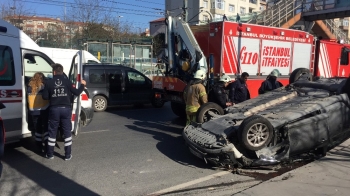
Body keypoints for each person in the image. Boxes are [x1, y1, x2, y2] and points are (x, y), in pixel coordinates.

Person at [43, 63, 86, 160]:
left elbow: (45, 97)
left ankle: (50, 154)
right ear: (61, 72)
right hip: (66, 109)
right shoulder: (67, 81)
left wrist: (53, 95)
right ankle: (67, 155)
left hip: (54, 109)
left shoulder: (49, 82)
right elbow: (76, 92)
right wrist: (82, 85)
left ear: (54, 72)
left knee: (52, 132)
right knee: (67, 132)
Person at [27, 72, 49, 153]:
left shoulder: (30, 87)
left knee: (38, 130)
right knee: (46, 129)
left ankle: (39, 147)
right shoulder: (43, 87)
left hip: (34, 112)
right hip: (44, 110)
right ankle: (47, 146)